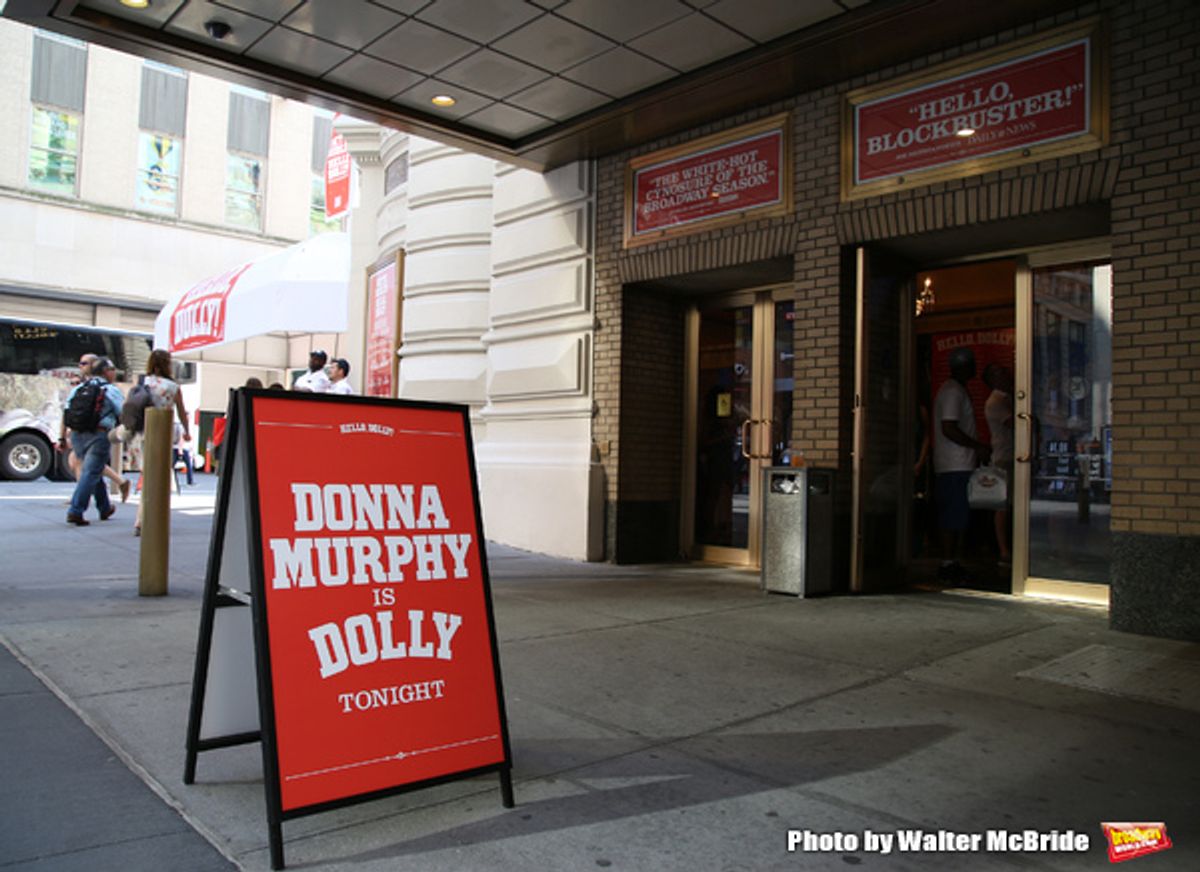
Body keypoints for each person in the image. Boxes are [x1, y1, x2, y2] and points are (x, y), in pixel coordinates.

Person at [932, 347, 990, 581]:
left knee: (958, 514)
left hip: (957, 463)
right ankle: (948, 561)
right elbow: (949, 427)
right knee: (953, 514)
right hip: (955, 464)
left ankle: (954, 560)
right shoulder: (953, 392)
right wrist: (976, 446)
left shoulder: (954, 390)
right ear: (964, 366)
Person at [134, 349, 191, 536]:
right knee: (159, 478)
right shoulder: (172, 387)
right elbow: (182, 412)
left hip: (142, 433)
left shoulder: (144, 382)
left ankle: (141, 518)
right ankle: (149, 518)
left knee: (147, 475)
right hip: (163, 433)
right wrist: (187, 432)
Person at [65, 357, 124, 525]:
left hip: (77, 435)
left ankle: (104, 507)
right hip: (99, 434)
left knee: (93, 470)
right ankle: (76, 510)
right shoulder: (110, 389)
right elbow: (122, 411)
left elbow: (67, 410)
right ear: (106, 371)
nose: (114, 373)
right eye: (113, 370)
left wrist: (63, 436)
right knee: (90, 472)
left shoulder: (79, 388)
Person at [984, 363, 1015, 565]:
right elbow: (1014, 423)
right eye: (1001, 372)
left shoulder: (1006, 398)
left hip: (1010, 455)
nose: (1007, 375)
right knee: (1002, 505)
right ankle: (1003, 549)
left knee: (1008, 503)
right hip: (1004, 457)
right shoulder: (995, 402)